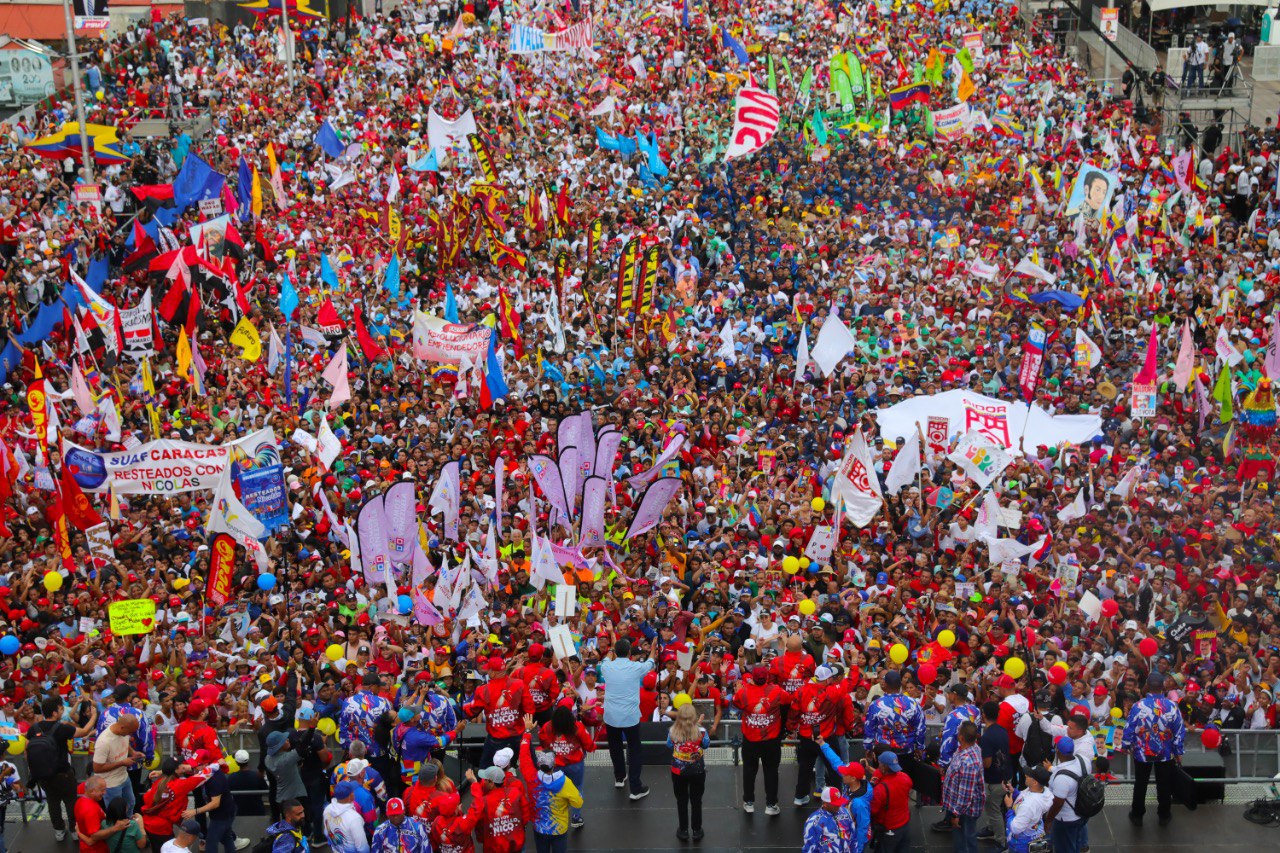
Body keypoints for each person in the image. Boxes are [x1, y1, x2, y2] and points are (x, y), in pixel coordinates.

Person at [1122, 670, 1187, 827]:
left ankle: (1137, 815)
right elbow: (1180, 730)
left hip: (1142, 753)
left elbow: (1129, 727)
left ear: (1147, 686)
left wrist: (1126, 744)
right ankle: (1164, 815)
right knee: (1164, 784)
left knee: (1140, 783)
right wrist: (1178, 752)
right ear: (1163, 686)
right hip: (1165, 753)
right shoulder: (1171, 706)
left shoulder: (1138, 706)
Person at [30, 694, 97, 841]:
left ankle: (59, 830)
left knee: (53, 803)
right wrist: (94, 715)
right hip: (64, 775)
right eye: (60, 709)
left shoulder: (34, 728)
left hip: (44, 776)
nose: (62, 711)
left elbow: (27, 748)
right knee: (71, 802)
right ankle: (74, 830)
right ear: (54, 713)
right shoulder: (61, 728)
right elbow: (85, 731)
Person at [597, 637, 657, 800]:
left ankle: (619, 777)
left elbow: (605, 659)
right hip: (630, 717)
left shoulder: (607, 666)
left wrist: (610, 651)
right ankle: (635, 788)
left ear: (615, 652)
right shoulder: (636, 667)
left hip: (611, 716)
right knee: (635, 750)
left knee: (615, 747)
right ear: (630, 653)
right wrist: (652, 648)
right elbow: (651, 662)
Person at [731, 662, 789, 815]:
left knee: (749, 771)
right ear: (767, 676)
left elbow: (736, 702)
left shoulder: (743, 692)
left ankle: (748, 802)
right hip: (771, 740)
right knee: (771, 771)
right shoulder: (777, 691)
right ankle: (771, 804)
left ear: (752, 678)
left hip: (750, 739)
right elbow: (787, 700)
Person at [519, 716, 583, 853]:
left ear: (538, 764)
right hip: (559, 829)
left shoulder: (531, 777)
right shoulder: (565, 782)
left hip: (539, 828)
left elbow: (524, 755)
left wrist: (527, 732)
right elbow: (578, 803)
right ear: (554, 764)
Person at [462, 656, 535, 771]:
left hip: (496, 740)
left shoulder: (483, 690)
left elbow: (471, 712)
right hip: (518, 736)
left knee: (483, 772)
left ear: (493, 673)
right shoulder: (519, 684)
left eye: (489, 670)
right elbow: (530, 710)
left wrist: (465, 707)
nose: (487, 672)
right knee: (533, 768)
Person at [536, 702, 595, 829]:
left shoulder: (547, 727)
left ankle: (555, 815)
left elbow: (543, 742)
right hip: (575, 765)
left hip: (555, 765)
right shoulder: (577, 727)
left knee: (554, 789)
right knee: (577, 789)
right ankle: (576, 817)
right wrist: (591, 748)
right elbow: (589, 744)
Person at [140, 758, 219, 850]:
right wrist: (217, 764)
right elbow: (203, 776)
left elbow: (146, 798)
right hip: (163, 829)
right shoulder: (180, 785)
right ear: (176, 769)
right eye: (180, 765)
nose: (183, 766)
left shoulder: (158, 783)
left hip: (148, 825)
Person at [666, 700, 709, 841]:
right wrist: (699, 726)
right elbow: (706, 744)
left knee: (681, 800)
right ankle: (697, 830)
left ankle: (683, 830)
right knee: (696, 800)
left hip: (678, 771)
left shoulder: (672, 730)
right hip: (697, 771)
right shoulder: (701, 730)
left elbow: (668, 745)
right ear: (693, 716)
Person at [941, 721, 985, 853]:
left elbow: (966, 794)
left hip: (965, 811)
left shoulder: (968, 762)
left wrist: (956, 814)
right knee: (962, 837)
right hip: (960, 808)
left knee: (965, 840)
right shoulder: (973, 748)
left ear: (961, 738)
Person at [978, 700, 1013, 846]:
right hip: (1006, 775)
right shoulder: (1002, 730)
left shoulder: (986, 737)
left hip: (994, 780)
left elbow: (987, 763)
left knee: (994, 810)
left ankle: (1001, 841)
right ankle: (991, 828)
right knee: (995, 807)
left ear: (984, 715)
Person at [94, 713, 144, 814]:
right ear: (122, 727)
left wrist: (133, 752)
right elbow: (97, 768)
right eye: (130, 732)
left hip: (124, 777)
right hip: (110, 784)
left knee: (131, 803)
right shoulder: (104, 742)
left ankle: (128, 825)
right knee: (117, 812)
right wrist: (122, 763)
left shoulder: (123, 733)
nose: (130, 735)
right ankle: (118, 828)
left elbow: (125, 742)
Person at [1046, 739, 1088, 853]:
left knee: (1065, 848)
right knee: (1076, 844)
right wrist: (1051, 768)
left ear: (1058, 752)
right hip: (1082, 813)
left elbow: (1058, 803)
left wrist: (1048, 820)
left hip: (1066, 820)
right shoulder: (1084, 761)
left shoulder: (1061, 778)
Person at [869, 751, 913, 853]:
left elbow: (873, 810)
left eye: (879, 764)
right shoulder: (905, 777)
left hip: (889, 829)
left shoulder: (880, 789)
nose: (878, 766)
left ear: (884, 767)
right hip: (905, 825)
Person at [1002, 767, 1054, 853]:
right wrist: (1014, 792)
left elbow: (1016, 828)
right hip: (1035, 835)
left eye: (1029, 775)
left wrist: (1009, 807)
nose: (1026, 775)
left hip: (1020, 846)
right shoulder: (1042, 791)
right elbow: (1024, 796)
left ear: (1035, 782)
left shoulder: (1029, 805)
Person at [77, 777, 135, 853]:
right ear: (92, 791)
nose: (105, 793)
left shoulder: (81, 800)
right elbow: (94, 836)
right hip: (96, 850)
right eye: (102, 790)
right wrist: (115, 828)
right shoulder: (91, 810)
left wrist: (79, 833)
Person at [801, 787, 855, 853]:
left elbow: (853, 837)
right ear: (825, 803)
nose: (839, 805)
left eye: (839, 802)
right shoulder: (814, 822)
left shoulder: (845, 812)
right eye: (835, 804)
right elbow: (809, 849)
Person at [323, 782, 370, 853]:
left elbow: (327, 832)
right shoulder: (354, 818)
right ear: (350, 795)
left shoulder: (327, 809)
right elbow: (362, 848)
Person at [226, 750, 268, 819]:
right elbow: (266, 790)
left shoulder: (232, 777)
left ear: (236, 762)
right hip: (258, 812)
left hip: (240, 812)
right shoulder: (257, 776)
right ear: (248, 760)